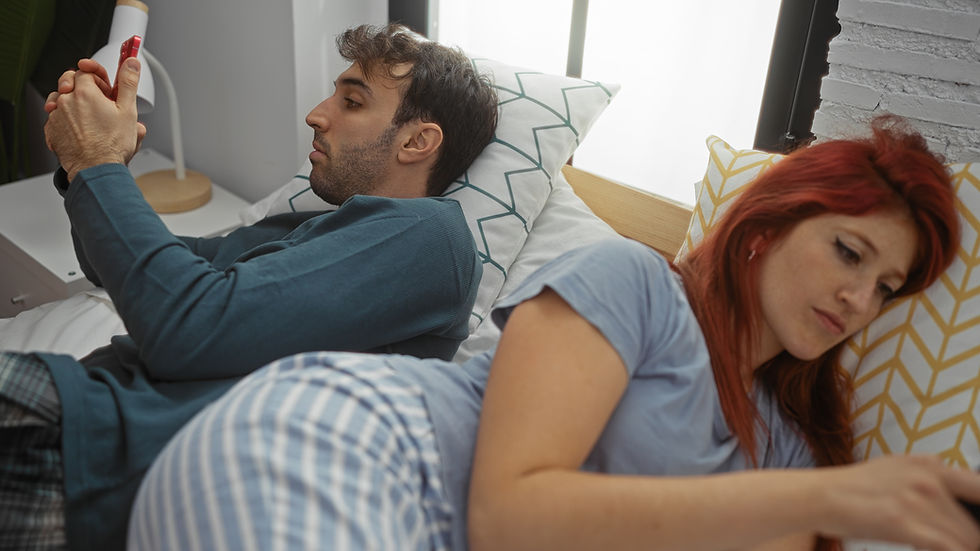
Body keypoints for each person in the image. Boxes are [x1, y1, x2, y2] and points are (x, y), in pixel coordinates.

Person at [130, 116, 980, 551]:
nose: (860, 298)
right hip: (352, 450)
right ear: (767, 225)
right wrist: (834, 497)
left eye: (886, 287)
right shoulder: (636, 284)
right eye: (848, 251)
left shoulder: (786, 454)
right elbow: (508, 513)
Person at [0, 24, 498, 551]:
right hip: (79, 419)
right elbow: (134, 273)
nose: (317, 113)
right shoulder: (308, 228)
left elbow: (187, 326)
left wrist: (96, 163)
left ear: (418, 141)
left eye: (351, 102)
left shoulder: (430, 237)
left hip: (88, 449)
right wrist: (90, 167)